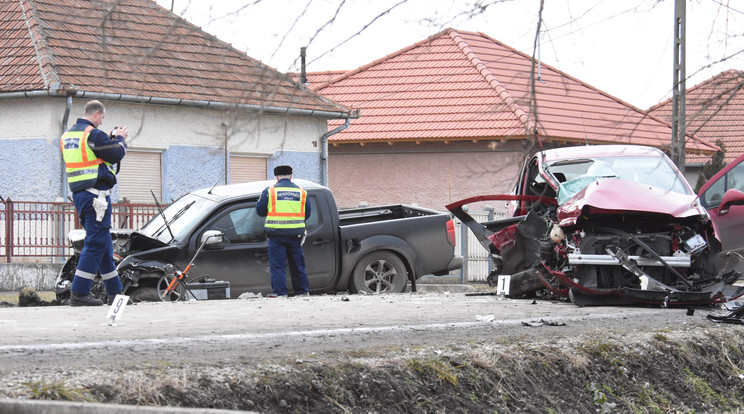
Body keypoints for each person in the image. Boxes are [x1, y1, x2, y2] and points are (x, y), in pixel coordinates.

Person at [60, 100, 128, 306]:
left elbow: (92, 156)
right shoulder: (93, 134)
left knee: (104, 243)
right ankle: (79, 293)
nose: (102, 121)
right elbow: (116, 153)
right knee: (96, 242)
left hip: (81, 194)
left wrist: (108, 138)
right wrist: (120, 139)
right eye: (102, 117)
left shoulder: (69, 135)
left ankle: (114, 292)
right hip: (96, 196)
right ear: (97, 114)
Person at [256, 165, 311, 297]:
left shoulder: (270, 191)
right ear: (291, 176)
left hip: (276, 235)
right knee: (297, 265)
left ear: (277, 177)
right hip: (295, 236)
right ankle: (302, 292)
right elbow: (307, 214)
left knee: (278, 266)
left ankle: (280, 294)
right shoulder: (302, 192)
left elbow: (260, 211)